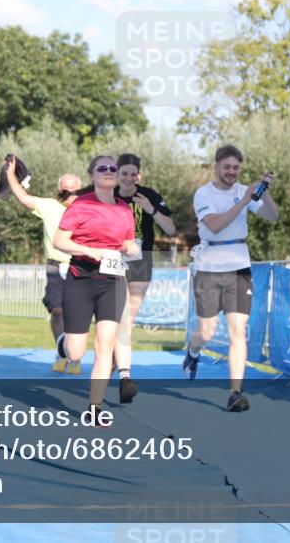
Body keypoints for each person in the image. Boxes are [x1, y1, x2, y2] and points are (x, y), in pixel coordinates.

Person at [185, 145, 278, 412]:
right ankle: (194, 350)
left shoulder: (245, 191)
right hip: (209, 265)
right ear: (216, 166)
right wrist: (245, 199)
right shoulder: (204, 193)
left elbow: (273, 216)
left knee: (239, 332)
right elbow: (215, 225)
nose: (231, 172)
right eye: (227, 167)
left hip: (239, 265)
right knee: (207, 330)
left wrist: (264, 193)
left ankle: (235, 393)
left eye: (236, 168)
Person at [52, 155, 139, 420]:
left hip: (112, 282)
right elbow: (59, 241)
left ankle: (94, 407)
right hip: (81, 278)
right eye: (103, 168)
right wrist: (89, 251)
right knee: (75, 352)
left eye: (113, 168)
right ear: (92, 175)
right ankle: (62, 344)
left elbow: (129, 243)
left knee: (105, 344)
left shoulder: (125, 209)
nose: (110, 172)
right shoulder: (80, 205)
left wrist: (131, 248)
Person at [4, 157, 83, 373]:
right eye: (64, 190)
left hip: (81, 267)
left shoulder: (88, 209)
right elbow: (22, 197)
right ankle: (61, 348)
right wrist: (11, 174)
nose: (68, 193)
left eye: (73, 190)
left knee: (77, 316)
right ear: (59, 190)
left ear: (80, 189)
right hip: (56, 266)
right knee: (57, 311)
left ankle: (74, 358)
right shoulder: (49, 206)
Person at [113, 153, 176, 403]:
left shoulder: (149, 194)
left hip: (141, 258)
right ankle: (121, 370)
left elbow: (171, 229)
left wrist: (151, 210)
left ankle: (119, 368)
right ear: (117, 174)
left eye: (132, 174)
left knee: (129, 316)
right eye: (124, 173)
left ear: (138, 175)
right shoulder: (109, 194)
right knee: (120, 316)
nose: (128, 178)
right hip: (114, 258)